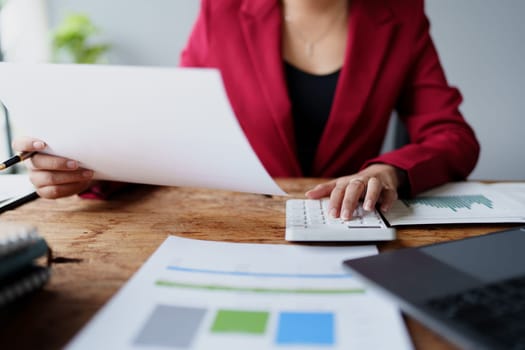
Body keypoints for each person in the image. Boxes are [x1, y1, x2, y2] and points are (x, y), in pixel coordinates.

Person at [13, 0, 479, 220]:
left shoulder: (400, 15)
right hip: (239, 223)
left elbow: (451, 135)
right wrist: (88, 168)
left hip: (351, 226)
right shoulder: (222, 12)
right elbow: (171, 127)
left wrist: (386, 171)